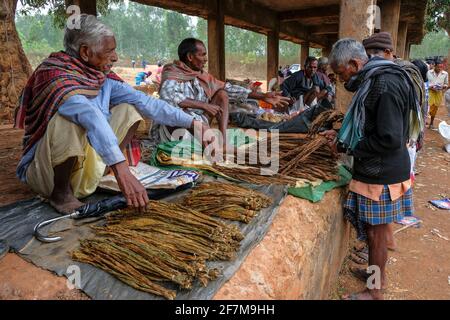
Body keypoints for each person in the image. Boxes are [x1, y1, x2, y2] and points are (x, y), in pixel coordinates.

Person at [14, 14, 210, 214]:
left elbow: (147, 102)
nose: (115, 57)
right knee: (68, 121)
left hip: (84, 170)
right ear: (85, 52)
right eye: (110, 51)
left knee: (130, 109)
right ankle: (62, 195)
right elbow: (89, 115)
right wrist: (122, 169)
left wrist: (194, 123)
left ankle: (104, 172)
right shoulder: (56, 76)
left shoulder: (100, 78)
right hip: (47, 175)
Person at [321, 38, 420, 300]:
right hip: (380, 169)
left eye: (342, 73)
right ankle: (376, 274)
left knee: (376, 236)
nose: (342, 80)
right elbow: (373, 127)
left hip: (381, 173)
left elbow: (389, 138)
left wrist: (349, 147)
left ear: (354, 63)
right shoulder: (374, 79)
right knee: (378, 233)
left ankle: (375, 290)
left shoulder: (383, 84)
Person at [157, 38, 289, 149]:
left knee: (222, 94)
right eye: (202, 55)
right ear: (190, 57)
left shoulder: (202, 76)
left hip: (200, 124)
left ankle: (223, 142)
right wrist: (203, 105)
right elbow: (168, 96)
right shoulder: (172, 72)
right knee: (180, 113)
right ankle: (196, 143)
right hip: (178, 126)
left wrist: (263, 96)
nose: (205, 59)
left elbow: (229, 88)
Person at [427, 59, 449, 129]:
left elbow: (446, 84)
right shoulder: (429, 72)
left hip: (438, 93)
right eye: (438, 67)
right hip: (430, 92)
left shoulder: (445, 74)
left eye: (441, 67)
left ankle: (431, 123)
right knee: (428, 107)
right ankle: (425, 120)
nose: (439, 68)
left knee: (435, 108)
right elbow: (426, 82)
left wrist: (443, 87)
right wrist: (431, 86)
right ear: (434, 66)